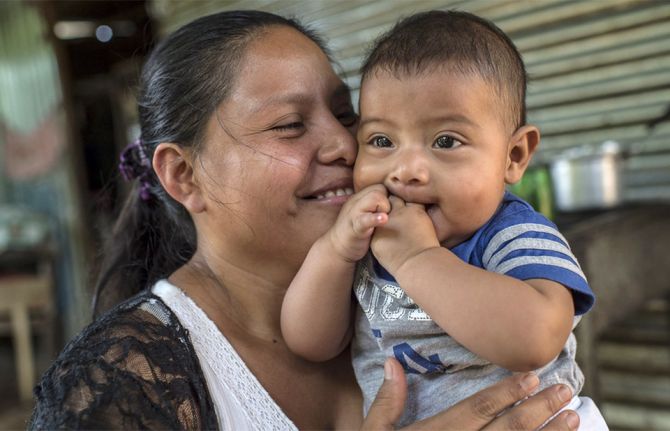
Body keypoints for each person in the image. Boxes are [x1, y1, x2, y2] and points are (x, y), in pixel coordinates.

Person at [29, 10, 582, 430]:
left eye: (348, 117)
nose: (346, 145)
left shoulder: (430, 262)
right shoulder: (121, 381)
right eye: (290, 125)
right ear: (184, 176)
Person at [281, 10, 608, 429]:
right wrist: (335, 252)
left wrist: (417, 259)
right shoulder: (368, 239)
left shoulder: (509, 234)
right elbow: (310, 342)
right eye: (382, 141)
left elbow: (537, 339)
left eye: (446, 141)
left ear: (514, 156)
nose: (406, 170)